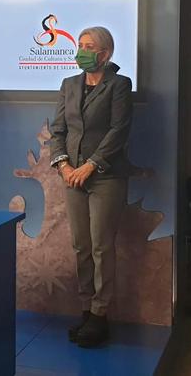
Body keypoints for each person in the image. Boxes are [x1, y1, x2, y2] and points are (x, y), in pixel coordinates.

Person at [49, 26, 133, 348]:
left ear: (105, 53)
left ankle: (100, 314)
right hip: (72, 177)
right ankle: (86, 308)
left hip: (105, 177)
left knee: (101, 246)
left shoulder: (119, 85)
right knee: (81, 246)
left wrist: (90, 165)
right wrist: (64, 165)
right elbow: (58, 130)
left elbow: (118, 131)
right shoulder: (69, 85)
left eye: (90, 46)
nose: (82, 51)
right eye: (80, 45)